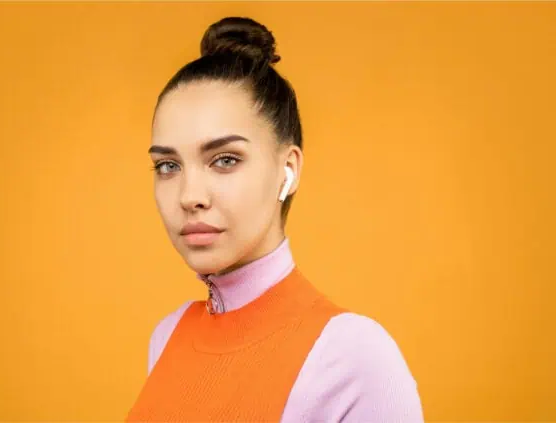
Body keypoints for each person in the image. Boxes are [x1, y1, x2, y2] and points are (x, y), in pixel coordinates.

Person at [126, 16, 424, 422]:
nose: (189, 196)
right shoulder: (167, 336)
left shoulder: (354, 357)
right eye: (168, 166)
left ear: (288, 169)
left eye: (225, 160)